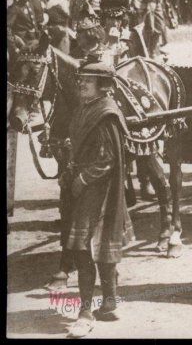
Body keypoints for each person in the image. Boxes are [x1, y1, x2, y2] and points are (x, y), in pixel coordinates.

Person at [59, 57, 134, 337]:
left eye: (87, 81)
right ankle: (110, 302)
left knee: (83, 248)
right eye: (80, 80)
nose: (81, 84)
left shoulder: (105, 113)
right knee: (95, 246)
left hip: (98, 192)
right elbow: (82, 147)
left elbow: (107, 160)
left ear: (103, 85)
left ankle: (86, 312)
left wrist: (80, 179)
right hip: (87, 188)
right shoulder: (87, 108)